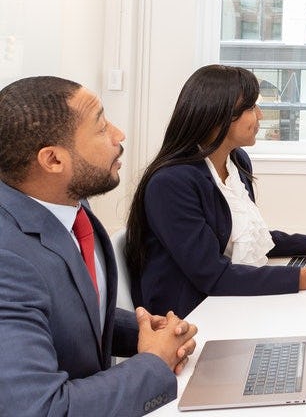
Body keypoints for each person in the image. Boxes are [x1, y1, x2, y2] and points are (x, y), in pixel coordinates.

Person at [0, 76, 197, 416]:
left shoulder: (70, 202)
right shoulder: (7, 259)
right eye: (101, 127)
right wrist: (154, 361)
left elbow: (69, 317)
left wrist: (148, 332)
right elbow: (43, 409)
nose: (119, 135)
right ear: (53, 160)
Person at [125, 65, 306, 318]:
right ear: (218, 117)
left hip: (225, 295)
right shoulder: (171, 184)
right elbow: (211, 275)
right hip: (191, 314)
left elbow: (249, 239)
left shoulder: (236, 161)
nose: (260, 115)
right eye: (251, 108)